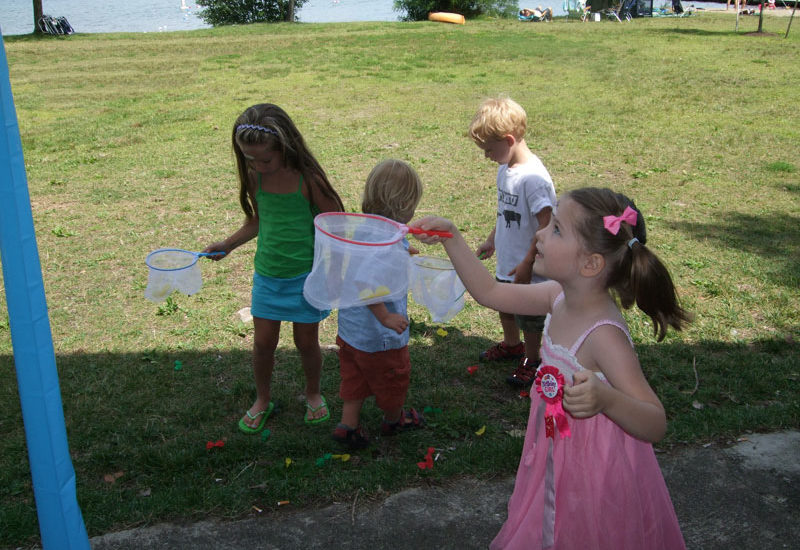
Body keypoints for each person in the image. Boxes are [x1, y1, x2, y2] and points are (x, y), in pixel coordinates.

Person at [410, 187, 690, 549]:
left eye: (556, 229)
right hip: (557, 456)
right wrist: (451, 236)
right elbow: (490, 293)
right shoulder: (556, 296)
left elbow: (655, 423)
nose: (540, 233)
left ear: (590, 263)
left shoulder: (604, 336)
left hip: (597, 476)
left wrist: (606, 399)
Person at [204, 103, 344, 434]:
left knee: (306, 343)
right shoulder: (256, 179)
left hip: (306, 279)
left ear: (286, 147)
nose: (257, 166)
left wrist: (334, 272)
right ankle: (263, 399)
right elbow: (257, 220)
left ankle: (313, 393)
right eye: (249, 159)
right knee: (263, 343)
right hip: (268, 277)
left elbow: (337, 226)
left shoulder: (309, 181)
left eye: (265, 159)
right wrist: (227, 244)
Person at [331, 159, 425, 449]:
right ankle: (394, 418)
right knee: (392, 378)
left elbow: (367, 260)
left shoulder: (367, 228)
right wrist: (385, 317)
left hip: (351, 330)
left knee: (355, 377)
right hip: (378, 336)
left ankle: (348, 425)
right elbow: (367, 282)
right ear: (405, 205)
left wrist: (403, 249)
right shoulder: (385, 242)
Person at [469, 97, 557, 388]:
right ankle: (511, 344)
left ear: (508, 140)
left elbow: (548, 225)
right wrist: (492, 240)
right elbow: (505, 211)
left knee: (529, 316)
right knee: (504, 304)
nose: (486, 156)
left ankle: (533, 359)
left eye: (489, 150)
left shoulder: (533, 180)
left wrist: (528, 263)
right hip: (509, 258)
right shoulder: (505, 169)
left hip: (528, 266)